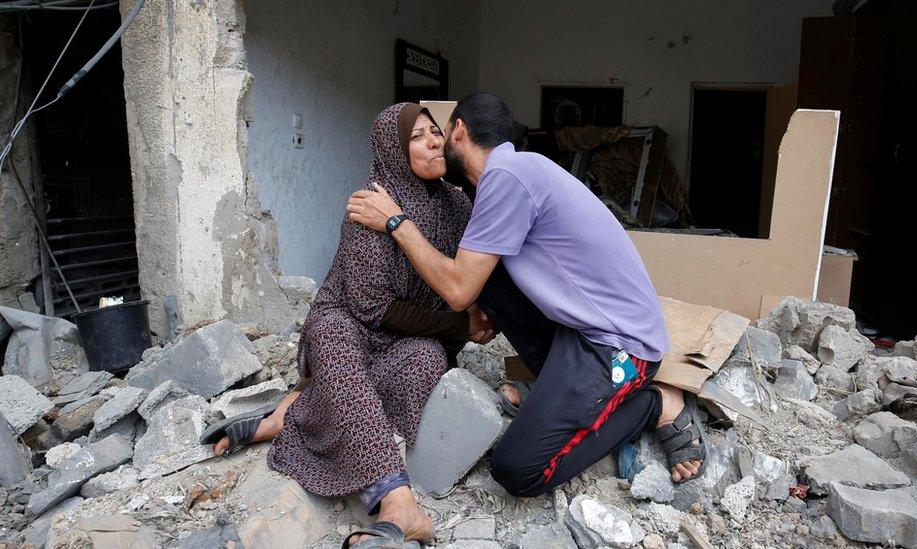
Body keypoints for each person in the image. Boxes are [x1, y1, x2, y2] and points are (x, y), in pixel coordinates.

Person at [346, 92, 708, 499]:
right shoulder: (515, 171)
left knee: (517, 470)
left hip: (621, 350)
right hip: (583, 331)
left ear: (459, 130)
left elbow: (457, 290)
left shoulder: (506, 179)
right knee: (490, 273)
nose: (434, 142)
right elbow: (473, 284)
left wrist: (396, 220)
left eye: (439, 132)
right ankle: (559, 387)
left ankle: (653, 404)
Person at [200, 103, 492, 547]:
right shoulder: (371, 201)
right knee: (334, 339)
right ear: (392, 150)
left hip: (412, 336)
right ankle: (396, 500)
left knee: (428, 359)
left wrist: (477, 316)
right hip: (350, 321)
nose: (434, 141)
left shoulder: (456, 204)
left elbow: (470, 273)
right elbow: (373, 308)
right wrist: (458, 325)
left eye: (436, 131)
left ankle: (292, 414)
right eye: (417, 136)